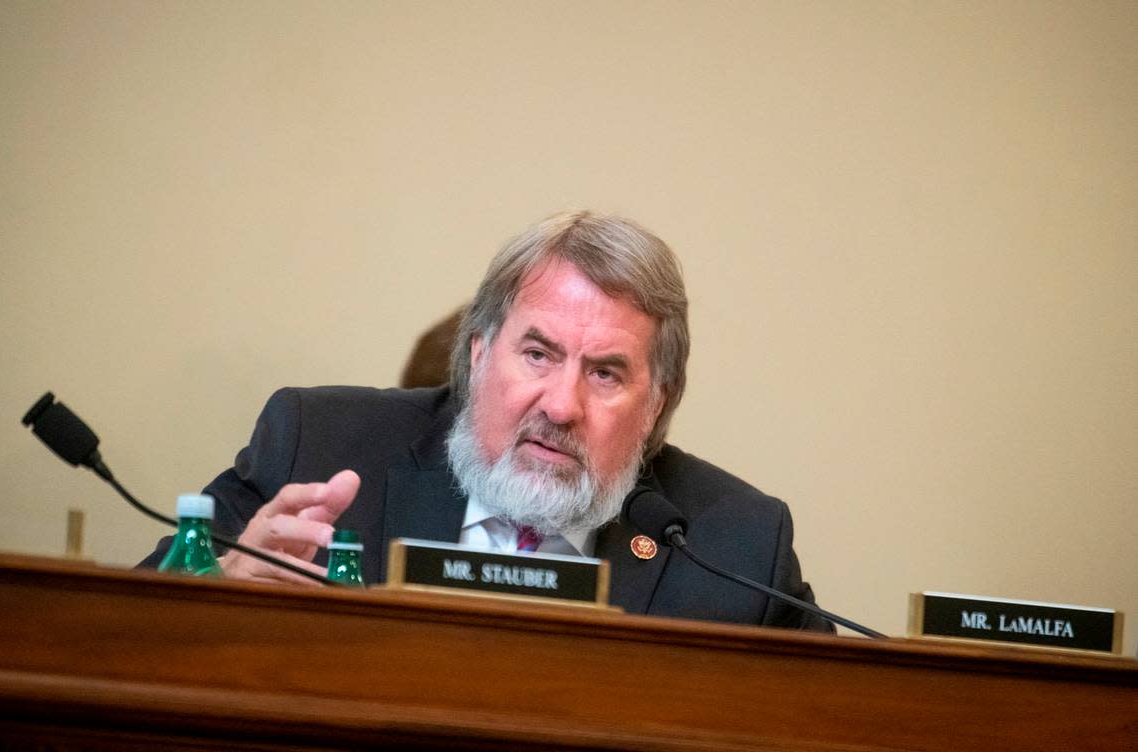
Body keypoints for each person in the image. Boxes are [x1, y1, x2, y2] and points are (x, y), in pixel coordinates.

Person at [141, 210, 832, 631]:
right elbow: (121, 632)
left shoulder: (737, 546)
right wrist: (216, 588)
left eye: (606, 373)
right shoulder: (317, 445)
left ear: (657, 405)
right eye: (538, 353)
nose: (561, 406)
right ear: (477, 355)